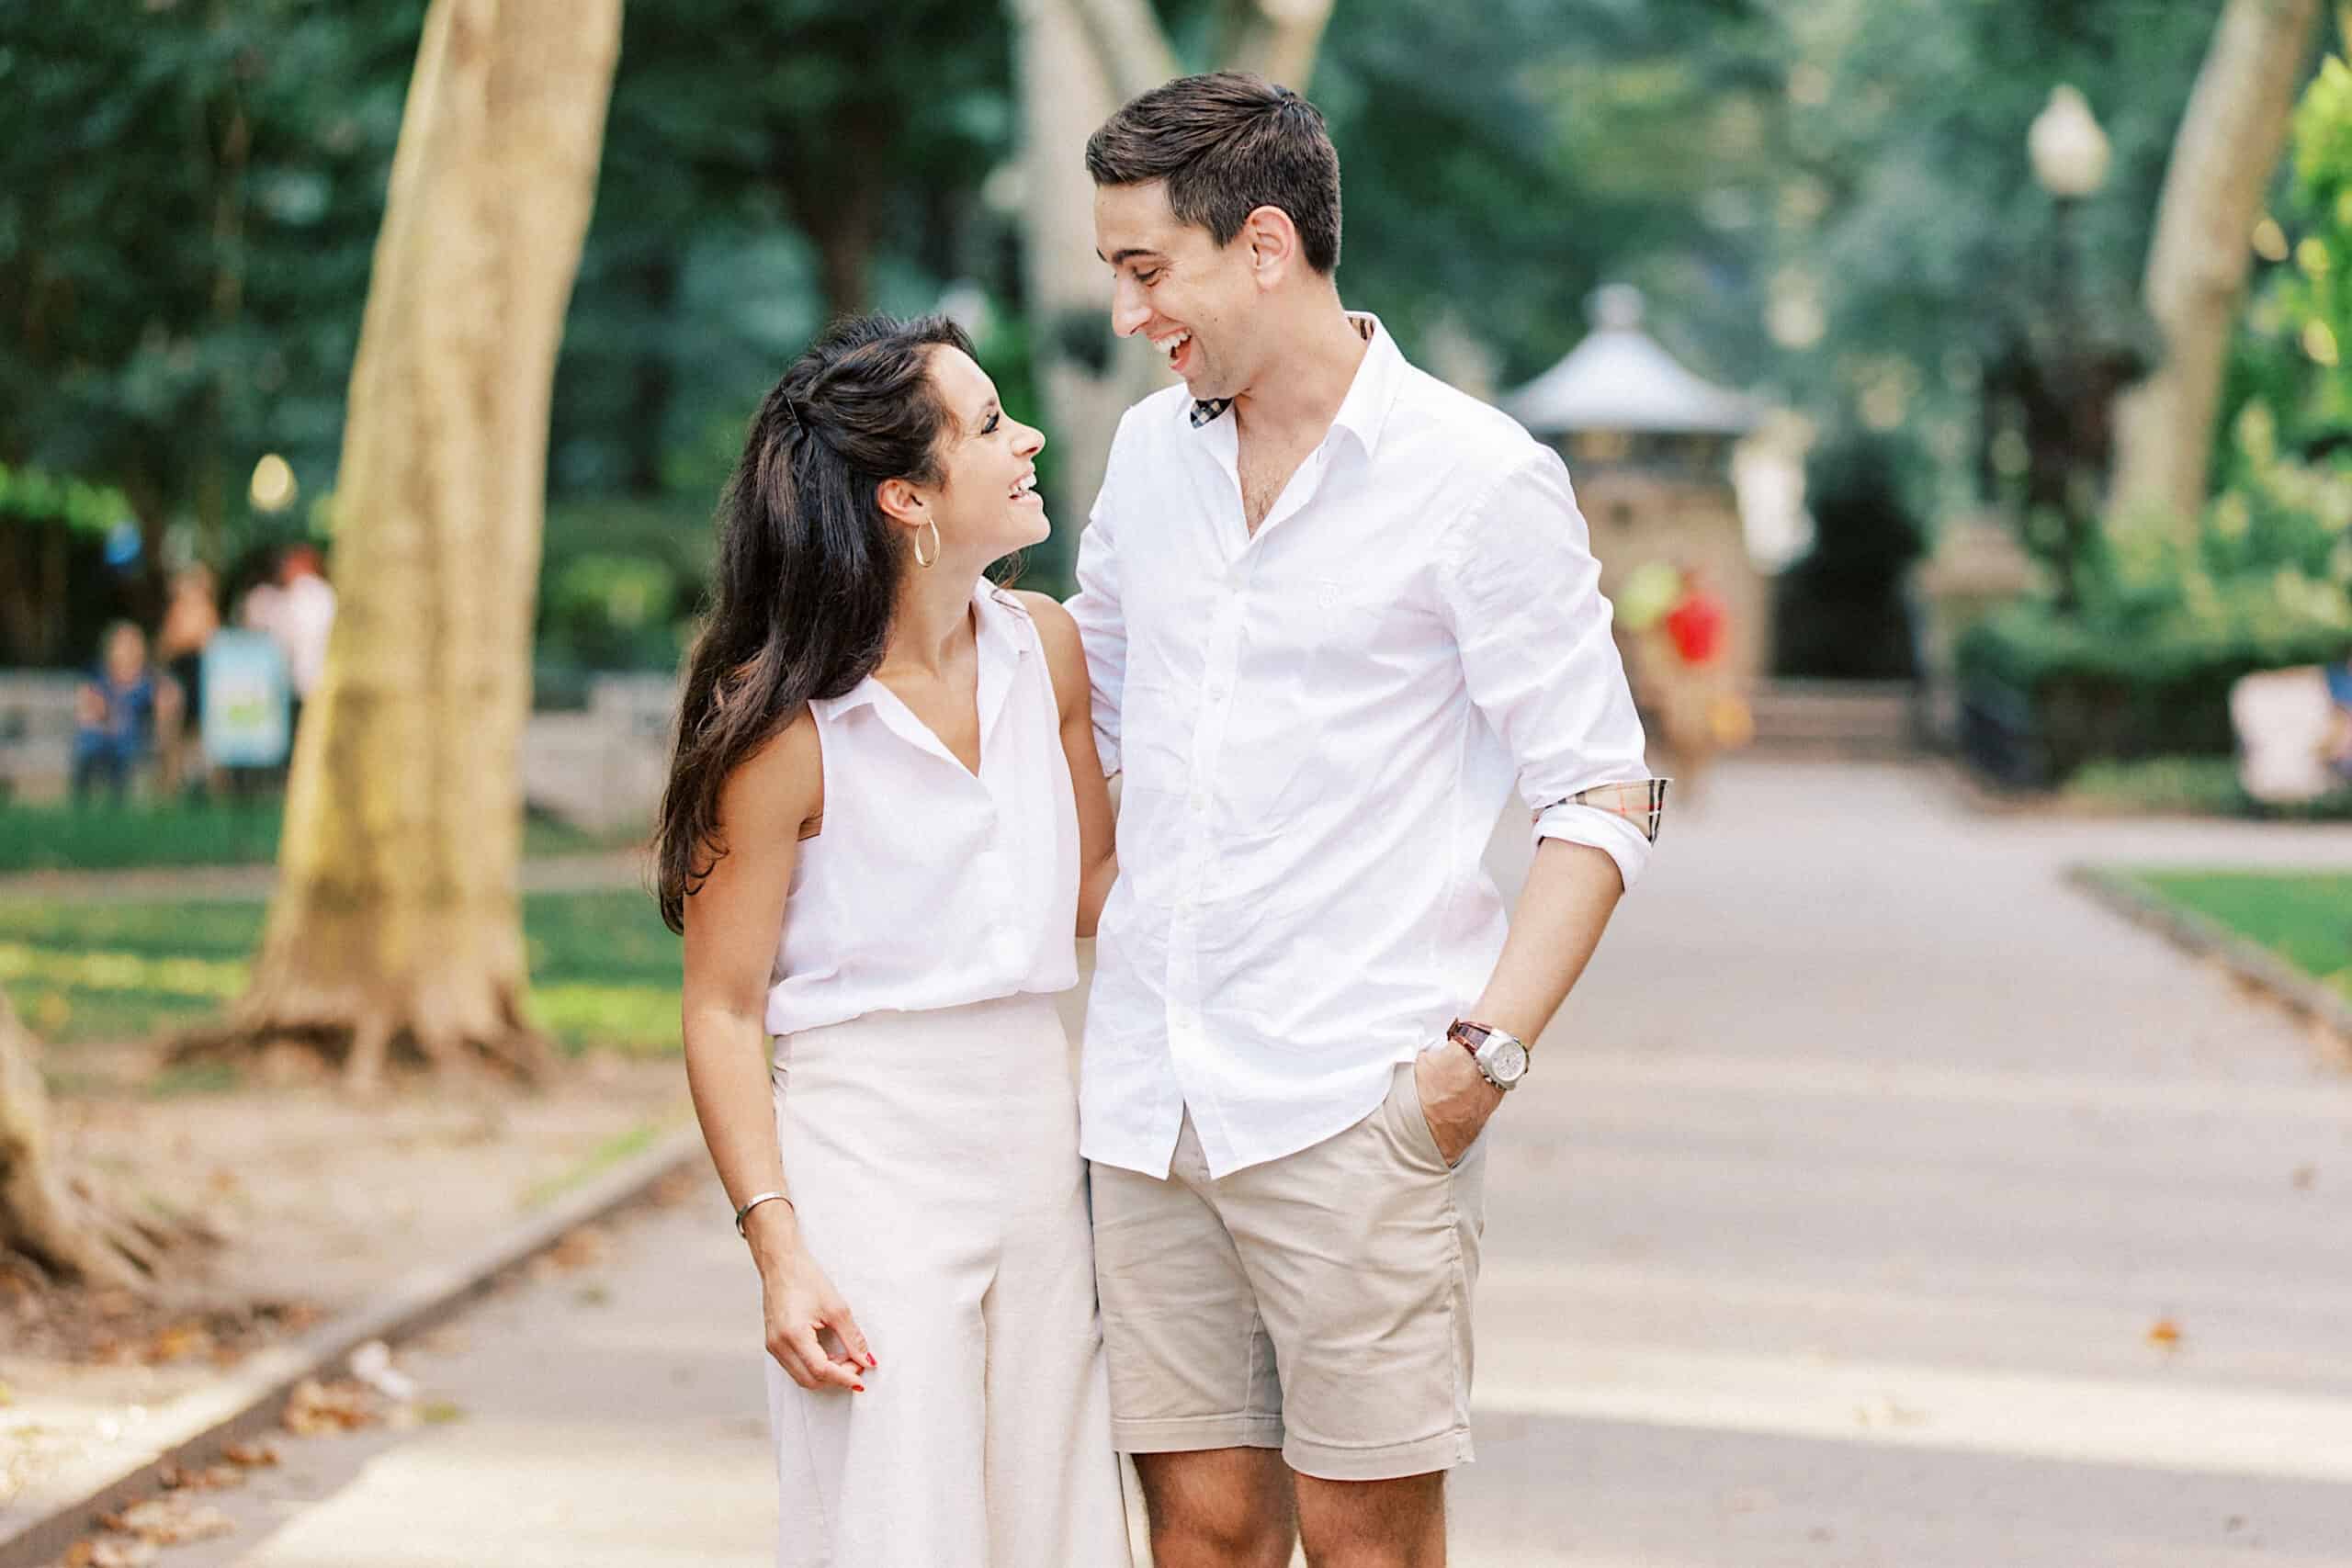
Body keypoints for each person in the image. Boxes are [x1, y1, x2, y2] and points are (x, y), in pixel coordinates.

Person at [1069, 73, 1668, 1567]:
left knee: (1366, 1545)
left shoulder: (1476, 479)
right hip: (1153, 1103)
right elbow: (1097, 715)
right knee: (1201, 1535)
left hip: (1356, 1105)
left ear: (1264, 246)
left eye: (1148, 270)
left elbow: (1599, 786)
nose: (1133, 312)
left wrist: (1479, 1064)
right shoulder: (1151, 457)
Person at [653, 314, 1132, 1568]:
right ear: (906, 497)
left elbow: (1093, 885)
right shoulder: (785, 729)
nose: (1026, 438)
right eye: (988, 425)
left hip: (1037, 1138)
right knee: (896, 1527)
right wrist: (778, 1247)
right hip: (867, 1155)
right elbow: (720, 1006)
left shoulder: (1050, 653)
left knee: (1055, 1525)